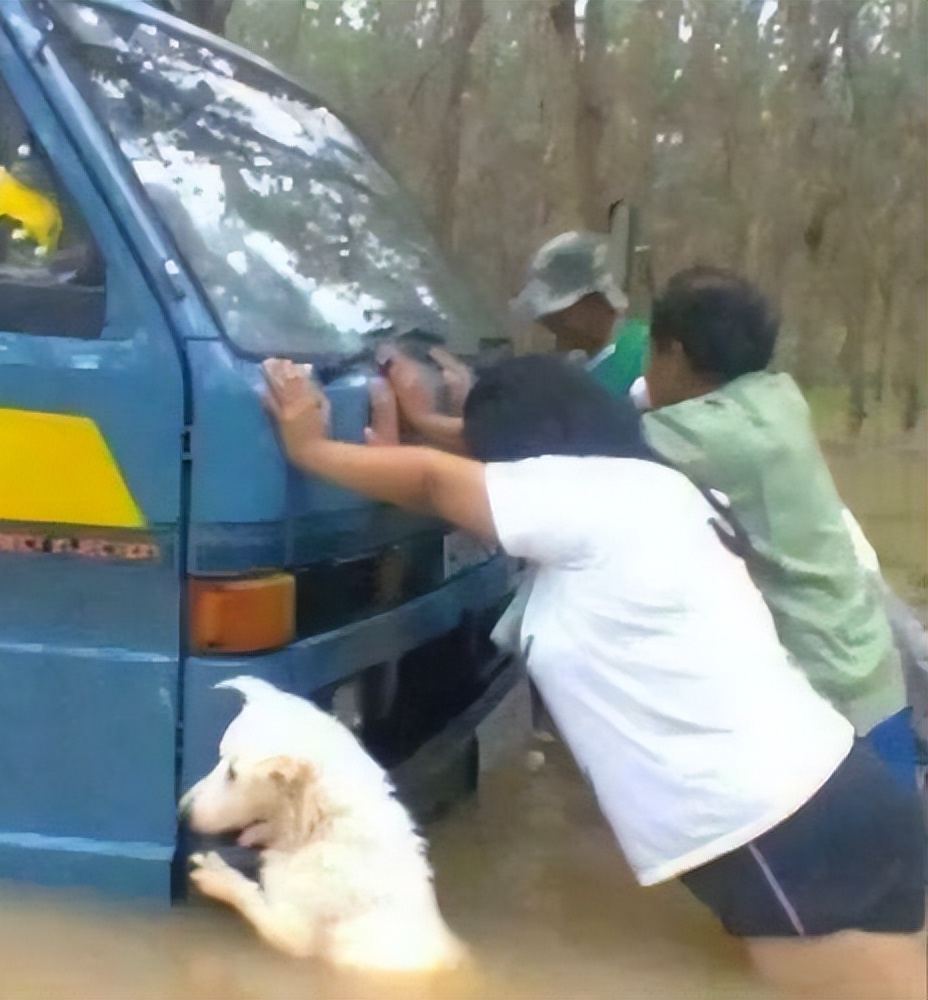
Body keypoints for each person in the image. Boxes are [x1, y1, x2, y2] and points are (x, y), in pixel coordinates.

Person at [261, 352, 926, 999]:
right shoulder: (653, 489)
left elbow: (438, 482)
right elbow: (472, 475)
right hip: (823, 801)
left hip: (778, 829)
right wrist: (418, 431)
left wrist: (313, 450)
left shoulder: (596, 498)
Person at [641, 267, 916, 792]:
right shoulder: (778, 397)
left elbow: (581, 445)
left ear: (673, 353)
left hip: (831, 699)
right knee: (898, 858)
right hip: (870, 672)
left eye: (653, 355)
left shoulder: (702, 434)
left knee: (856, 866)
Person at [511, 230, 650, 405]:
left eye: (559, 317)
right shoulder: (574, 366)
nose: (556, 331)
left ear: (595, 300)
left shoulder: (647, 351)